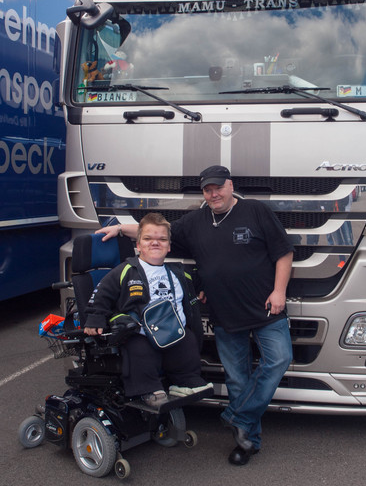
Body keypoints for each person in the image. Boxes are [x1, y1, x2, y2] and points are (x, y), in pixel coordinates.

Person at [97, 165, 294, 465]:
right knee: (238, 380)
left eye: (218, 187)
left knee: (280, 359)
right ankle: (247, 441)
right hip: (225, 313)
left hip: (267, 308)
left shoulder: (256, 211)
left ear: (230, 185)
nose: (213, 194)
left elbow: (284, 252)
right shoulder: (195, 221)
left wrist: (279, 291)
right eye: (207, 189)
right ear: (203, 192)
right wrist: (122, 229)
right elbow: (159, 234)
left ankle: (237, 417)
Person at [84, 212, 212, 408]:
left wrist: (203, 286)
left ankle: (185, 380)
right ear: (138, 245)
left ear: (169, 246)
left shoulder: (178, 273)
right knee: (139, 350)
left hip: (171, 331)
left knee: (187, 341)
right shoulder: (125, 270)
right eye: (148, 239)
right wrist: (95, 318)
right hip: (140, 332)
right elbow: (101, 295)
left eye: (162, 239)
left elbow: (198, 281)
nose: (155, 243)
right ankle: (148, 389)